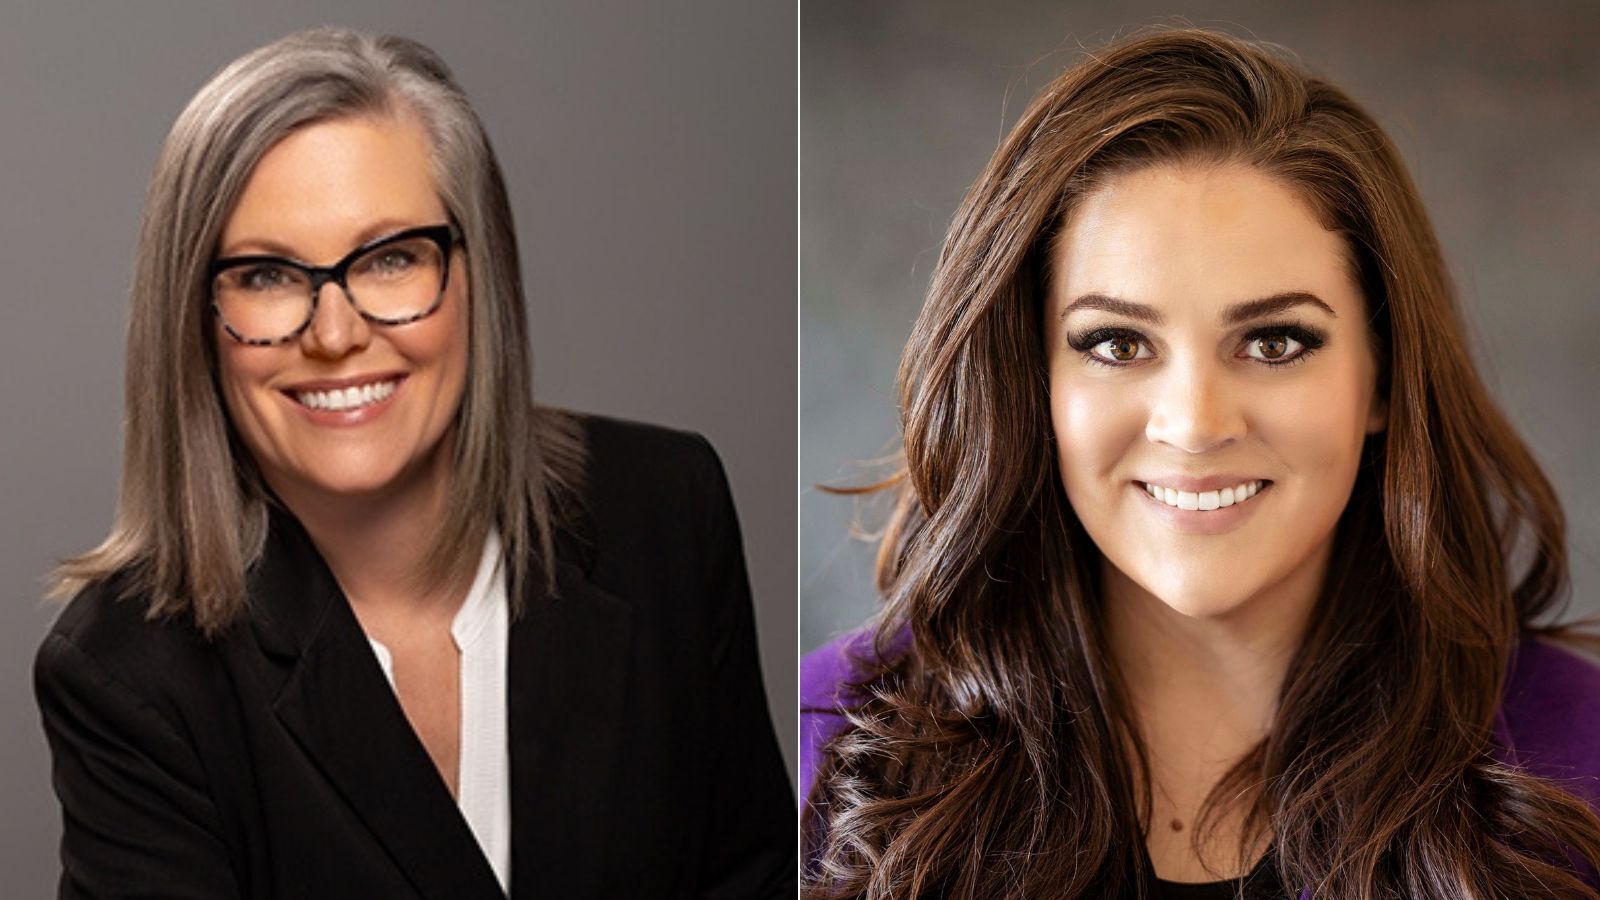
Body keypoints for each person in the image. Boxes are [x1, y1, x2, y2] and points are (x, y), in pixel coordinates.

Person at [801, 27, 1600, 899]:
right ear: (1031, 381)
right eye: (1115, 342)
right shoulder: (827, 741)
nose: (1194, 424)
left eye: (1274, 341)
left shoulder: (1578, 751)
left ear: (1384, 378)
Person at [35, 27, 793, 899]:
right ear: (196, 318)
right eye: (268, 274)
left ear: (482, 275)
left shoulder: (662, 509)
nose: (334, 334)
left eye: (392, 258)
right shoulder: (124, 673)